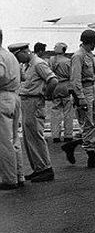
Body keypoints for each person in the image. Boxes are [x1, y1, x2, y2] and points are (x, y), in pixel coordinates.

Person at [61, 30, 95, 168]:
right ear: (89, 42)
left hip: (91, 91)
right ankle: (91, 157)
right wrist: (80, 98)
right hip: (84, 92)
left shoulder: (90, 56)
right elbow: (75, 80)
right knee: (88, 124)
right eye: (94, 42)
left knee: (93, 124)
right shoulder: (78, 56)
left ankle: (71, 146)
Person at [10, 42, 57, 183]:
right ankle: (38, 168)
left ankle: (46, 169)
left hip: (34, 102)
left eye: (17, 56)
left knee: (36, 135)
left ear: (24, 52)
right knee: (29, 137)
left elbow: (53, 80)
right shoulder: (27, 65)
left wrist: (46, 95)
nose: (17, 59)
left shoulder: (38, 64)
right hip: (26, 102)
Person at [0, 29, 24, 190]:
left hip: (2, 97)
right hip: (14, 96)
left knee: (3, 141)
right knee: (14, 139)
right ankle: (19, 174)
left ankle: (9, 179)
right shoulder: (10, 55)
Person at [49, 42, 74, 143]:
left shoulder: (51, 60)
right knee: (68, 112)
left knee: (55, 111)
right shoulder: (68, 61)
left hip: (55, 86)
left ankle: (55, 135)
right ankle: (68, 135)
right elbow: (72, 76)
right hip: (66, 86)